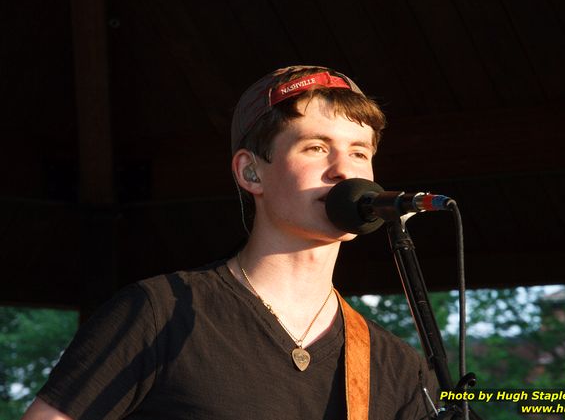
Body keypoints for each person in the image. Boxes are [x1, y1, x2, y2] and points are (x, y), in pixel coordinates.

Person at [22, 65, 439, 420]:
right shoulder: (159, 313)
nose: (343, 172)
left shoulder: (398, 366)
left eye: (359, 153)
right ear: (251, 173)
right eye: (316, 147)